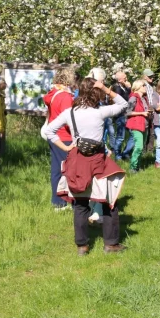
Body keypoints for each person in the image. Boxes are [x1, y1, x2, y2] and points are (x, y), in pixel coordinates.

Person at [40, 78, 130, 255]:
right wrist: (106, 88)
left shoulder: (69, 112)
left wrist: (66, 147)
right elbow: (123, 104)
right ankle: (111, 244)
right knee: (109, 201)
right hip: (98, 160)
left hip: (77, 160)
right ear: (96, 92)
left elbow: (49, 130)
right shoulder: (100, 112)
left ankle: (82, 245)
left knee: (80, 203)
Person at [43, 67, 76, 211]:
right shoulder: (65, 97)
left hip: (54, 135)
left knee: (56, 169)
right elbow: (68, 118)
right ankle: (68, 201)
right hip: (65, 137)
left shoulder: (53, 93)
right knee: (69, 170)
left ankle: (57, 202)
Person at [126, 79, 151, 174]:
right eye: (143, 86)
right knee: (139, 147)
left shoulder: (144, 98)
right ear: (138, 87)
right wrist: (142, 113)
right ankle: (133, 167)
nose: (145, 87)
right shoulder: (133, 98)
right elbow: (127, 112)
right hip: (136, 125)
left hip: (145, 124)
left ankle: (138, 166)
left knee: (141, 147)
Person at [109, 71, 133, 160]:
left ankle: (126, 152)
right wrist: (129, 88)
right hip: (120, 115)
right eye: (124, 77)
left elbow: (130, 97)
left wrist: (129, 88)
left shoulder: (124, 87)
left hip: (126, 114)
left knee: (133, 135)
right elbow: (123, 99)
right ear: (119, 79)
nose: (126, 79)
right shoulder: (116, 87)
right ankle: (117, 155)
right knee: (120, 137)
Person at [142, 68, 156, 152]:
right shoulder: (141, 85)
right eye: (150, 76)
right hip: (145, 110)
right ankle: (143, 150)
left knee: (152, 131)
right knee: (144, 131)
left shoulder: (152, 86)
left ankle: (150, 150)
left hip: (153, 110)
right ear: (144, 76)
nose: (152, 78)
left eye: (152, 76)